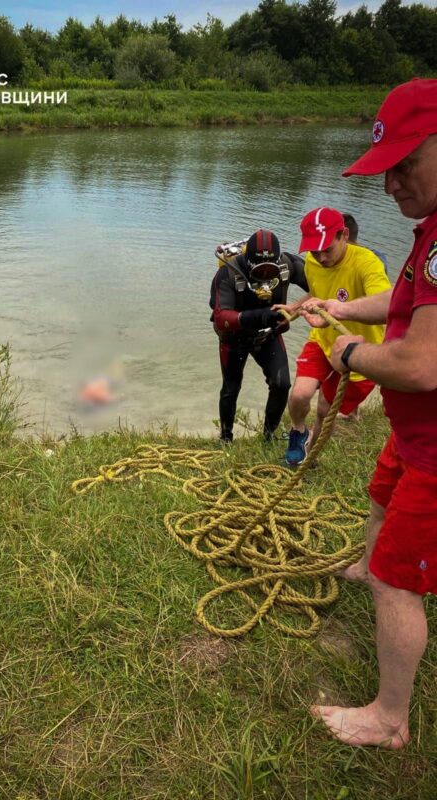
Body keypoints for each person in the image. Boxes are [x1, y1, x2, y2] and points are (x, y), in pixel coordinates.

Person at [301, 77, 437, 748]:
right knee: (378, 497)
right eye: (384, 170)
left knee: (398, 583)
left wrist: (349, 352)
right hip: (415, 437)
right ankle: (368, 564)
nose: (390, 185)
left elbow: (422, 365)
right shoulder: (431, 231)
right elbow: (404, 303)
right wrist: (343, 311)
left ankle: (388, 719)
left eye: (405, 163)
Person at [281, 207, 391, 466]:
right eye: (313, 250)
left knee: (323, 411)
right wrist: (295, 307)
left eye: (327, 249)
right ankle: (298, 432)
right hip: (323, 339)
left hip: (359, 352)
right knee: (299, 395)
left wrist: (340, 309)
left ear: (344, 235)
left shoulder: (367, 263)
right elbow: (318, 292)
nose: (320, 257)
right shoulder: (312, 261)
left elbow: (389, 305)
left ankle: (309, 458)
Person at [209, 229, 308, 443]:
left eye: (269, 270)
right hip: (234, 338)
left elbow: (322, 283)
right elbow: (220, 316)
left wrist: (296, 309)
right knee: (231, 388)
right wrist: (261, 316)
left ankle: (269, 436)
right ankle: (226, 438)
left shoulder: (287, 265)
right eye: (259, 270)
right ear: (247, 260)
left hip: (268, 335)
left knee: (281, 385)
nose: (264, 275)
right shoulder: (229, 272)